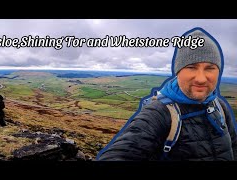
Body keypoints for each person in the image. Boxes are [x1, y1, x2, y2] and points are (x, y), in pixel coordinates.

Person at [96, 27, 237, 161]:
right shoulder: (159, 113)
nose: (201, 78)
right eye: (191, 67)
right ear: (178, 72)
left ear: (218, 71)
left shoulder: (219, 106)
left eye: (210, 68)